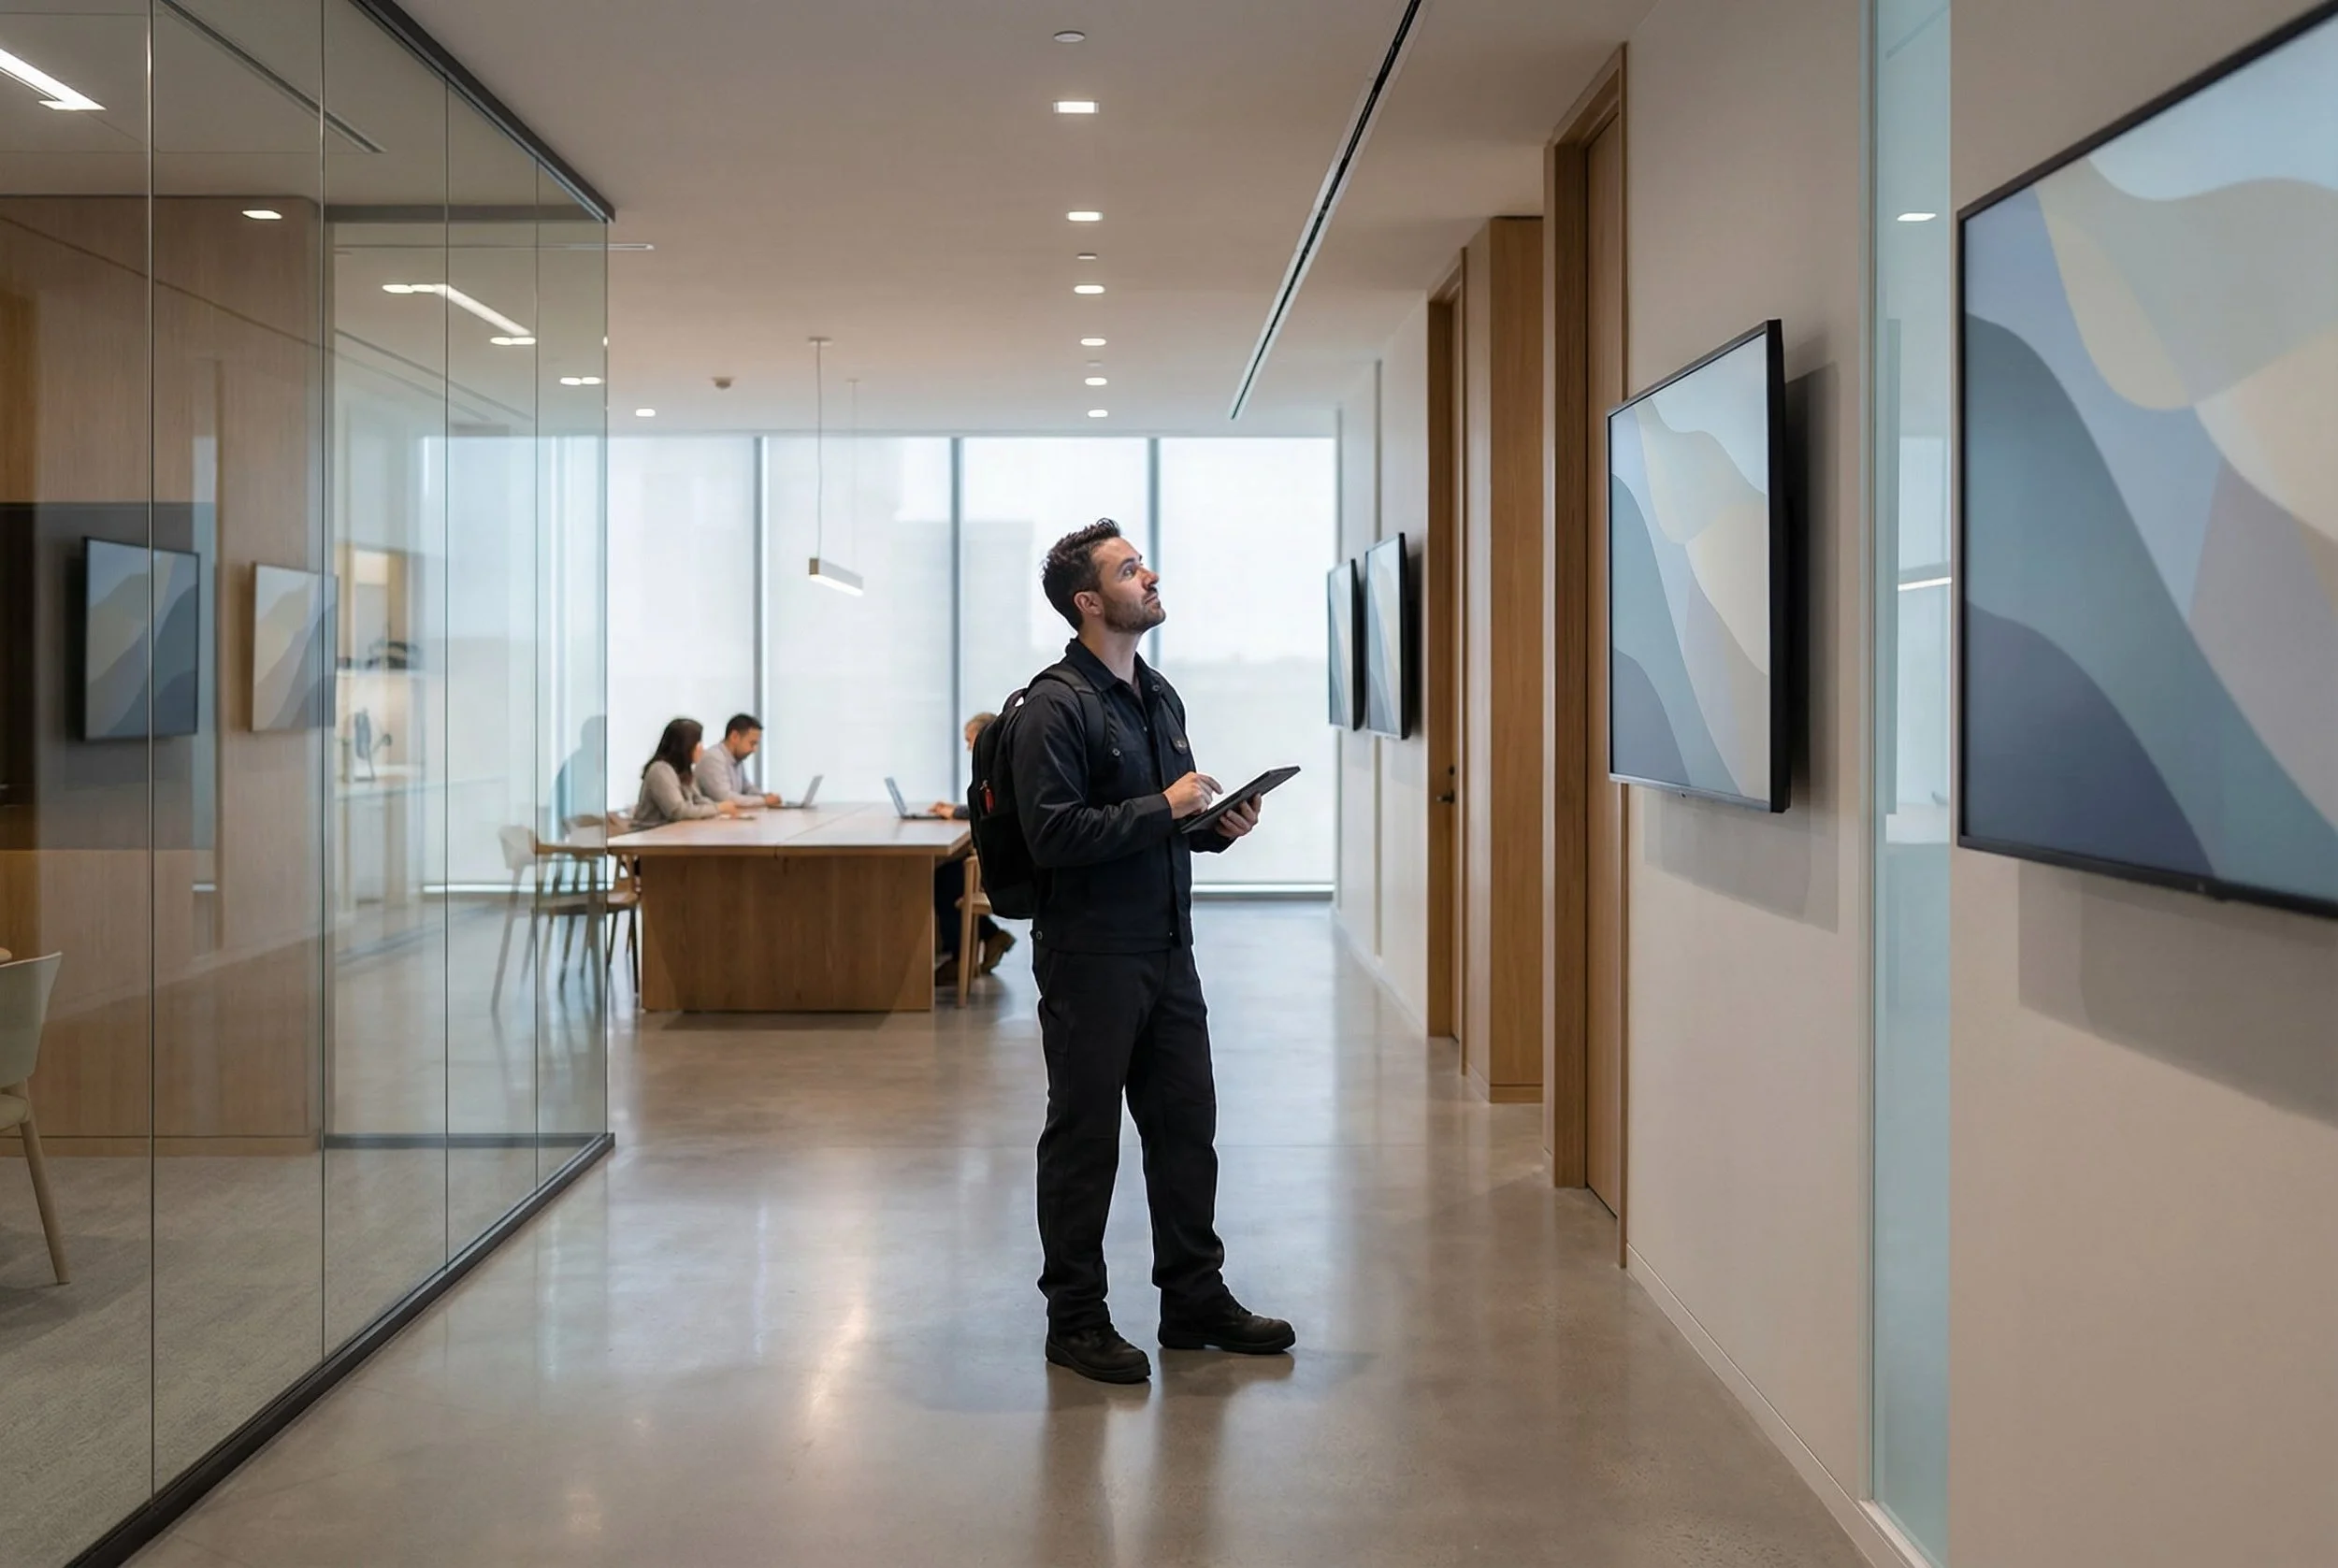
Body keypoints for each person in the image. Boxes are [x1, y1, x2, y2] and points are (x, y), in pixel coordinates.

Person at [1010, 518, 1290, 1386]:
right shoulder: (1051, 707)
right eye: (1131, 569)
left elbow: (1170, 822)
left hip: (1169, 950)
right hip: (1089, 958)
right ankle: (1076, 1319)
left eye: (1144, 563)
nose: (1150, 575)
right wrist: (1166, 809)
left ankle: (1194, 1299)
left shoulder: (1159, 695)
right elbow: (1053, 834)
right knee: (1085, 1140)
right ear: (1089, 601)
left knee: (1185, 1132)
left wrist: (1215, 827)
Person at [931, 712, 1011, 984]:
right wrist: (956, 810)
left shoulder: (998, 769)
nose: (968, 748)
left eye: (970, 741)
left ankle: (960, 958)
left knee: (944, 881)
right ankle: (991, 936)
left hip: (999, 864)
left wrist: (955, 813)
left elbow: (990, 807)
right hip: (994, 858)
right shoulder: (1000, 764)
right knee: (948, 876)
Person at [632, 717, 745, 828]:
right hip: (651, 837)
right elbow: (678, 811)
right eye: (698, 743)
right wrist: (718, 808)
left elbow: (697, 800)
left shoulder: (684, 770)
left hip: (675, 833)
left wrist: (721, 808)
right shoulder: (660, 770)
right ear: (686, 746)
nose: (702, 749)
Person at [695, 712, 784, 808]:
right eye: (752, 743)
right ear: (734, 736)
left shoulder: (736, 758)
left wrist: (765, 796)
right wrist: (764, 801)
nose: (754, 749)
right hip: (710, 821)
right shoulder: (713, 758)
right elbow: (725, 797)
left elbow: (746, 788)